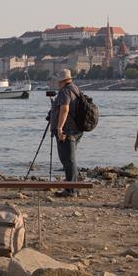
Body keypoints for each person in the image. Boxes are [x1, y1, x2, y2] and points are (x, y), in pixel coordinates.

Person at [50, 68, 83, 197]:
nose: (57, 84)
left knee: (68, 160)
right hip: (77, 129)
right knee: (70, 160)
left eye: (58, 81)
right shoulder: (76, 89)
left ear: (62, 81)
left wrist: (59, 128)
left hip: (67, 130)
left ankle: (71, 189)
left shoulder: (65, 92)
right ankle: (73, 186)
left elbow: (65, 109)